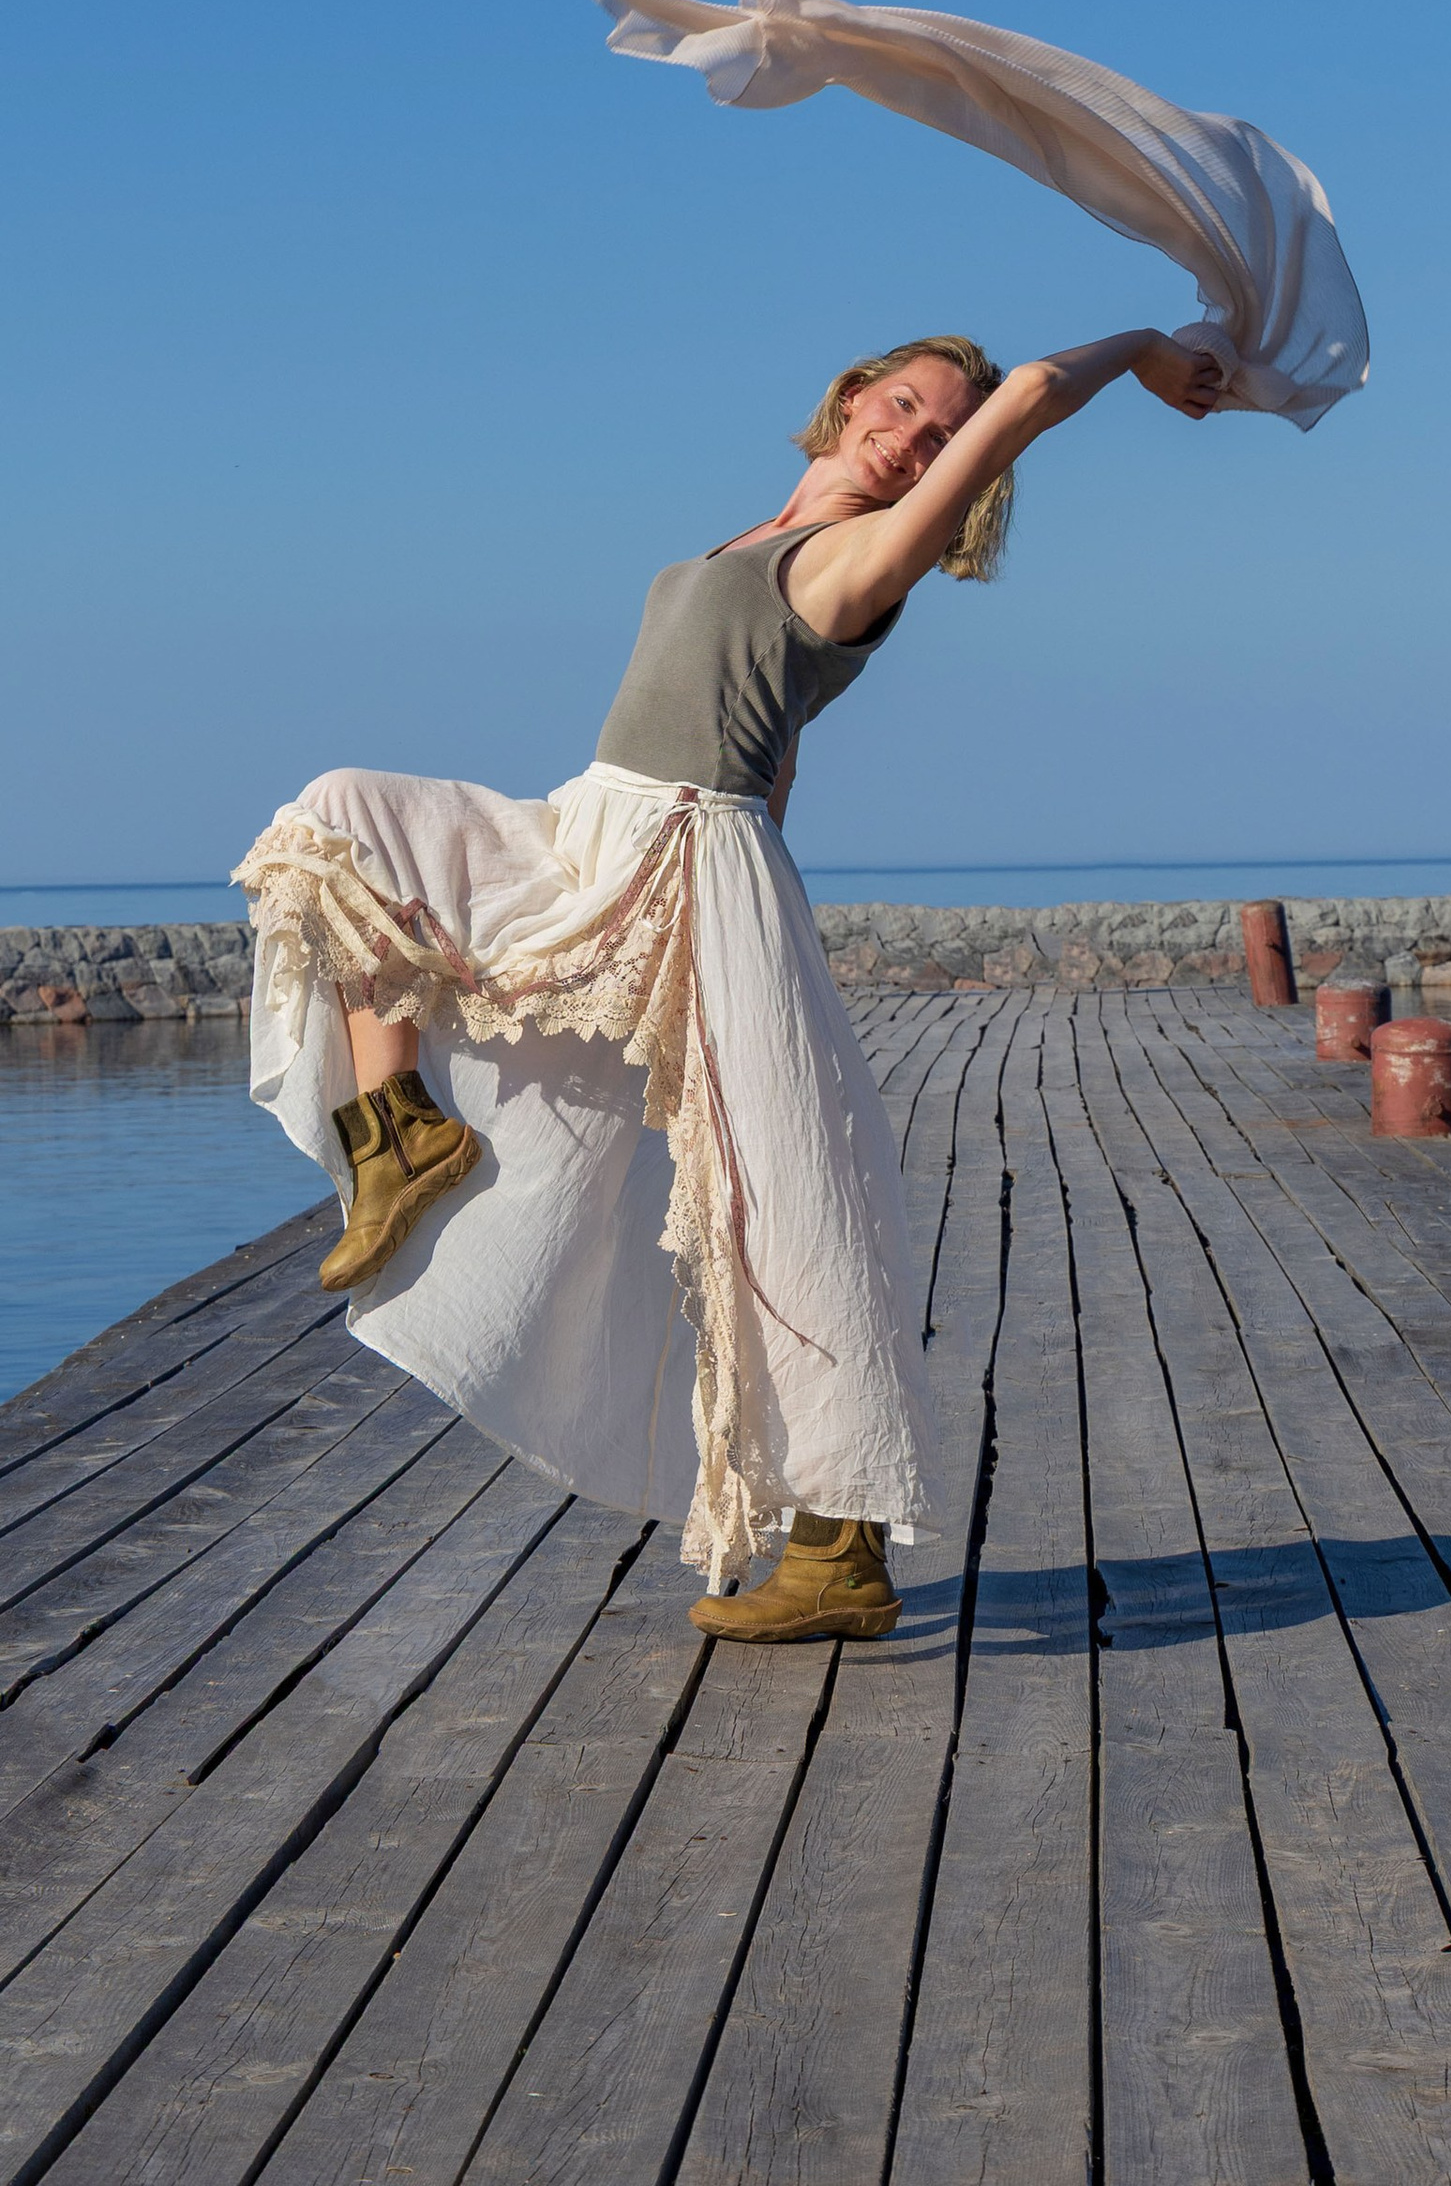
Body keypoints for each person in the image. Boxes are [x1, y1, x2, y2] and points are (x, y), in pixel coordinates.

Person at [235, 325, 1221, 1644]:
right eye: (906, 405)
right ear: (855, 392)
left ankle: (842, 1544)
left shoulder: (870, 560)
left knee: (783, 1193)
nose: (913, 437)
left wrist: (1148, 350)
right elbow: (780, 752)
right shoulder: (758, 536)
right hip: (601, 827)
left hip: (689, 851)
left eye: (941, 440)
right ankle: (398, 1134)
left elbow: (1036, 391)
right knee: (346, 821)